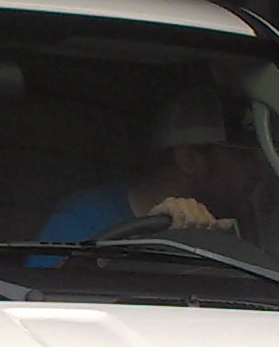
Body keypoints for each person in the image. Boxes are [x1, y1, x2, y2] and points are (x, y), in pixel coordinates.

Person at [39, 87, 265, 245]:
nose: (257, 171)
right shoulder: (82, 217)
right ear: (189, 159)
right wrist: (142, 242)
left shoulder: (233, 230)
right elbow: (41, 295)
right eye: (243, 156)